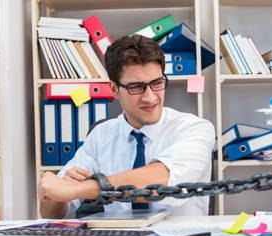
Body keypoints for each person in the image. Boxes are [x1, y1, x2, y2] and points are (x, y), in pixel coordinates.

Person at [39, 35, 215, 219]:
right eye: (136, 87)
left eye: (157, 83)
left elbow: (161, 181)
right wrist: (54, 194)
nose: (150, 97)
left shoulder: (195, 128)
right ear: (114, 89)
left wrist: (77, 189)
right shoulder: (101, 135)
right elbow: (52, 214)